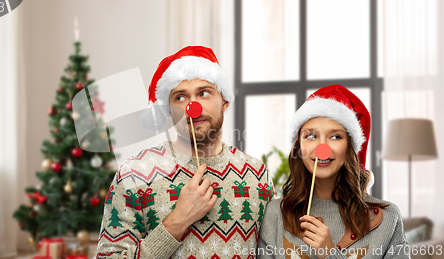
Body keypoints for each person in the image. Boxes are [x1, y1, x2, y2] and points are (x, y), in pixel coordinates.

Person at [96, 46, 274, 259]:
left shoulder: (257, 174)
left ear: (224, 101)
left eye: (204, 93)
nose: (193, 107)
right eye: (180, 97)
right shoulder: (134, 173)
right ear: (168, 110)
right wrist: (178, 220)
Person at [257, 85, 409, 259]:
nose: (323, 148)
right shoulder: (275, 214)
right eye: (311, 136)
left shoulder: (388, 218)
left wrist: (329, 253)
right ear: (300, 146)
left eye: (336, 136)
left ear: (350, 148)